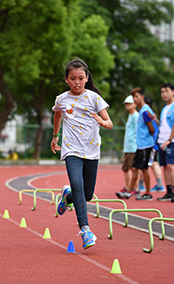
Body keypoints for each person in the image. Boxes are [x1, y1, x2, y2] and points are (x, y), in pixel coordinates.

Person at [51, 59, 113, 250]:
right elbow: (58, 114)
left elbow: (109, 122)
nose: (77, 82)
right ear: (66, 80)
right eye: (72, 78)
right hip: (71, 149)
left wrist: (102, 123)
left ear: (86, 78)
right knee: (77, 183)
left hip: (92, 151)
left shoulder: (94, 98)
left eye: (80, 78)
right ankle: (85, 230)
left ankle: (68, 197)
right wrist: (55, 137)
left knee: (86, 195)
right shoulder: (62, 99)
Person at [116, 88, 154, 200]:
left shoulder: (143, 111)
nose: (135, 99)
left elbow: (152, 128)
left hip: (145, 145)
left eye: (137, 97)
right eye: (134, 98)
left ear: (142, 97)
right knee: (136, 168)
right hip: (140, 145)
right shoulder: (141, 111)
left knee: (143, 169)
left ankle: (147, 193)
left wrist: (148, 140)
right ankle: (129, 191)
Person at [153, 83, 174, 202]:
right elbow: (163, 125)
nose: (164, 94)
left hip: (172, 141)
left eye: (167, 91)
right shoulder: (165, 108)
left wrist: (169, 139)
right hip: (162, 142)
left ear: (173, 91)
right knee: (165, 167)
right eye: (162, 92)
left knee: (171, 165)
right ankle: (169, 192)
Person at [117, 95, 140, 197]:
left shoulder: (135, 115)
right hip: (128, 146)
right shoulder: (131, 115)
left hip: (133, 146)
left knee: (133, 168)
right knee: (126, 168)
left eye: (130, 103)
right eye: (126, 104)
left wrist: (136, 145)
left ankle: (136, 188)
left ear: (135, 104)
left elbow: (137, 131)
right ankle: (127, 187)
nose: (128, 105)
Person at [144, 96, 165, 193]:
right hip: (153, 143)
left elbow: (153, 130)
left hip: (151, 143)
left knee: (154, 163)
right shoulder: (153, 115)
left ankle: (159, 185)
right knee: (153, 163)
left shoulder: (148, 115)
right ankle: (158, 184)